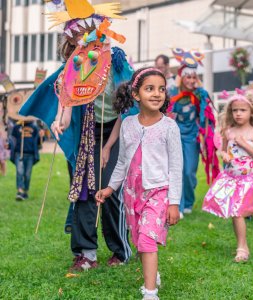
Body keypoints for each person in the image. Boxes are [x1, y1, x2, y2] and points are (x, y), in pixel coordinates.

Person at [20, 1, 133, 270]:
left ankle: (120, 249)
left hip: (114, 129)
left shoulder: (115, 59)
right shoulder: (73, 65)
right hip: (87, 131)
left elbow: (125, 108)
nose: (84, 41)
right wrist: (61, 121)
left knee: (109, 189)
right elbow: (66, 101)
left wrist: (109, 148)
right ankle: (86, 253)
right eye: (76, 38)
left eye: (88, 34)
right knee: (84, 189)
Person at [96, 67, 182, 300]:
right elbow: (123, 162)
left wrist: (174, 203)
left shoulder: (169, 127)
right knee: (140, 239)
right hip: (132, 193)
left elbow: (176, 168)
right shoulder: (128, 124)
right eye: (150, 88)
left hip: (159, 191)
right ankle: (152, 274)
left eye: (161, 89)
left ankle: (150, 292)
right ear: (136, 95)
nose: (157, 94)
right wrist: (110, 188)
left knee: (146, 237)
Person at [202, 89, 253, 262]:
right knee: (235, 213)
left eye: (242, 110)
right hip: (231, 179)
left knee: (237, 212)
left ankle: (242, 248)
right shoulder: (228, 131)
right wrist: (224, 155)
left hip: (248, 180)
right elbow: (222, 150)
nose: (238, 114)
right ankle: (242, 245)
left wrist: (245, 144)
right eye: (235, 110)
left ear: (251, 111)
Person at [168, 49, 219, 218]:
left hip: (192, 138)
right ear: (181, 77)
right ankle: (179, 206)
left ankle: (188, 201)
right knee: (178, 171)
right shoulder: (173, 95)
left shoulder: (200, 95)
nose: (190, 81)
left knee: (189, 172)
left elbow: (207, 115)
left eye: (193, 77)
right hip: (175, 138)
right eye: (187, 77)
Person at [8, 120, 40, 200]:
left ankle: (25, 191)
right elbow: (12, 140)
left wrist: (41, 136)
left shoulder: (34, 127)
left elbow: (38, 142)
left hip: (30, 154)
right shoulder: (17, 127)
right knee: (20, 172)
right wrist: (9, 145)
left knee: (27, 174)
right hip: (19, 154)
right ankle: (20, 191)